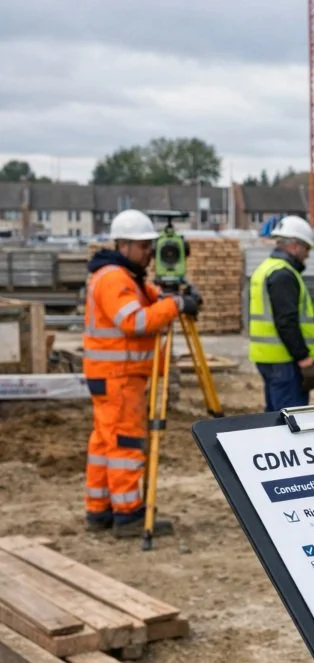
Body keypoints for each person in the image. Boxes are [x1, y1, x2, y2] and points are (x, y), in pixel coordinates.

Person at [83, 209, 200, 538]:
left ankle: (99, 509)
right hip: (119, 376)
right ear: (123, 245)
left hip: (113, 374)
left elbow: (150, 298)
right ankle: (129, 514)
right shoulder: (114, 278)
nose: (151, 252)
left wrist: (171, 297)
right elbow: (134, 321)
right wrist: (176, 305)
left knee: (105, 442)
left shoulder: (124, 276)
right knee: (125, 443)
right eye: (144, 246)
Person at [248, 215, 314, 411]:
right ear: (296, 246)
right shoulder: (283, 274)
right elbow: (286, 322)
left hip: (269, 359)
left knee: (274, 420)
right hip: (285, 361)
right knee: (290, 423)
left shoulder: (265, 269)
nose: (307, 255)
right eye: (306, 248)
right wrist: (304, 359)